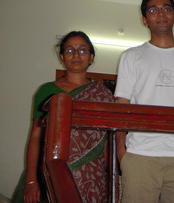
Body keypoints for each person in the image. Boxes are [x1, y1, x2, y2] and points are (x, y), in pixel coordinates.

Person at [115, 0, 174, 203]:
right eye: (153, 10)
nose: (161, 13)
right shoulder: (131, 56)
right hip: (139, 154)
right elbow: (121, 107)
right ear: (144, 20)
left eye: (166, 8)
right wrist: (122, 153)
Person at [12, 31, 115, 203]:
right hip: (48, 173)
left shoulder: (103, 96)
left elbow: (103, 143)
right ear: (62, 57)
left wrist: (107, 179)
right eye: (69, 50)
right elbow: (36, 137)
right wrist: (31, 181)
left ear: (91, 57)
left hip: (91, 176)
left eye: (82, 50)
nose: (76, 54)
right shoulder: (46, 91)